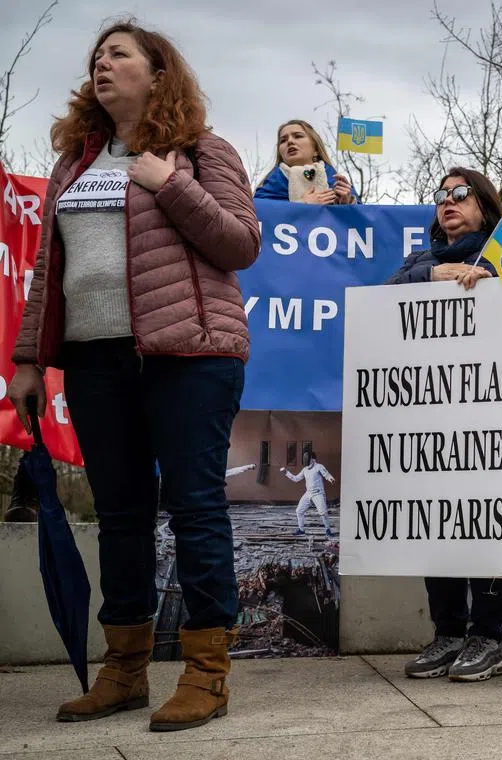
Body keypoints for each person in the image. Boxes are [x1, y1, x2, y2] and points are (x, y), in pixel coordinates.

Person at [6, 22, 257, 731]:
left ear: (158, 72)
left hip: (191, 355)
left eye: (119, 53)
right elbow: (48, 275)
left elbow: (241, 243)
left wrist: (171, 183)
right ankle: (124, 672)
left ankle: (207, 674)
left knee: (196, 507)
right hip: (95, 361)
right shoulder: (73, 165)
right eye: (97, 56)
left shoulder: (203, 152)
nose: (101, 63)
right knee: (117, 515)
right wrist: (28, 361)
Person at [388, 167, 502, 683]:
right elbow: (382, 307)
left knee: (485, 521)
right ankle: (447, 633)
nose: (447, 202)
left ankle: (488, 637)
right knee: (438, 523)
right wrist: (428, 279)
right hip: (431, 419)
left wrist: (494, 291)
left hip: (491, 419)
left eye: (460, 194)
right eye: (440, 196)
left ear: (484, 205)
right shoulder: (419, 261)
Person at [253, 120, 356, 204]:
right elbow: (258, 218)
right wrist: (302, 205)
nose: (290, 141)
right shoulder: (268, 188)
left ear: (315, 149)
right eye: (283, 140)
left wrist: (347, 205)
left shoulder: (338, 183)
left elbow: (362, 221)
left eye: (298, 136)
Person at [282, 451, 335, 537]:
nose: (305, 460)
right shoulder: (305, 470)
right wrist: (286, 473)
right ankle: (301, 530)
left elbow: (326, 474)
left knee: (323, 512)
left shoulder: (319, 466)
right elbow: (296, 479)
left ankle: (328, 529)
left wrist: (331, 479)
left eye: (307, 458)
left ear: (313, 459)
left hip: (318, 493)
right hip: (308, 493)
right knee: (299, 511)